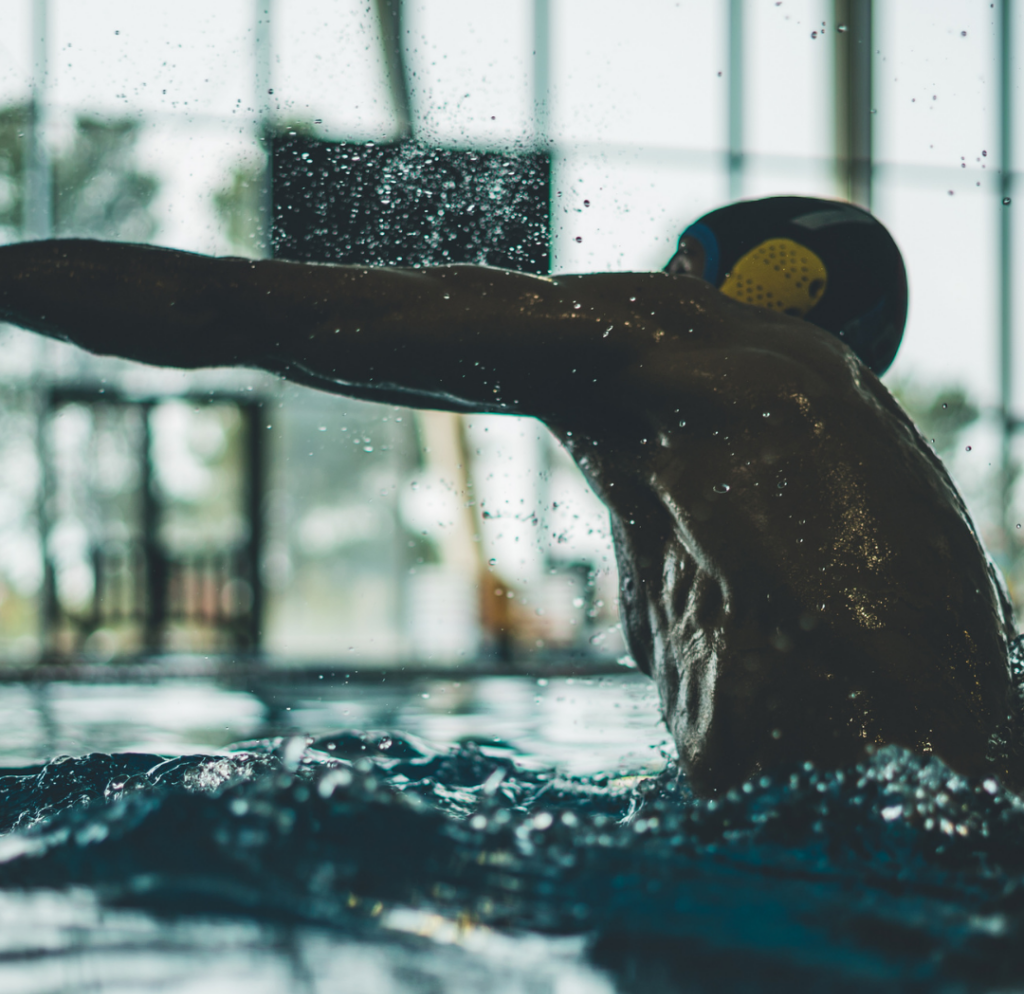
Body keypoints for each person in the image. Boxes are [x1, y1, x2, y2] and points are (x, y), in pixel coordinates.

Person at [0, 196, 1019, 796]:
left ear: (690, 270)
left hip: (845, 868)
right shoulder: (861, 448)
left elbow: (228, 308)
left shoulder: (669, 331)